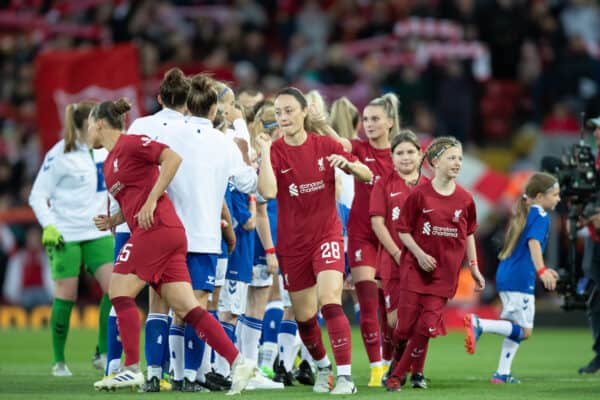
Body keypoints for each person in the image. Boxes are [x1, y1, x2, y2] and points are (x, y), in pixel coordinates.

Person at [87, 99, 255, 393]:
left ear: (100, 124)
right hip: (165, 233)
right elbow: (134, 201)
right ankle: (239, 361)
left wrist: (153, 200)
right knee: (188, 308)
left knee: (118, 290)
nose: (86, 131)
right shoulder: (111, 162)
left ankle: (130, 368)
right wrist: (114, 218)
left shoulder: (130, 144)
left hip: (157, 230)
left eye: (88, 125)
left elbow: (173, 159)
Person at [256, 87, 373, 395]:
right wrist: (266, 154)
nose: (283, 118)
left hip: (327, 235)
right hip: (292, 244)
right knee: (305, 318)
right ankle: (323, 368)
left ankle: (345, 377)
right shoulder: (276, 151)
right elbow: (267, 192)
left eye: (289, 111)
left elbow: (366, 174)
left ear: (305, 111)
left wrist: (348, 165)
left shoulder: (326, 145)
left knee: (331, 300)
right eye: (278, 113)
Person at [161, 73, 257, 392]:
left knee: (173, 307)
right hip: (204, 237)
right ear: (215, 109)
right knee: (197, 307)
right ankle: (191, 377)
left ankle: (167, 373)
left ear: (187, 105)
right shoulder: (223, 143)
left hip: (168, 234)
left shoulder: (170, 135)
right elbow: (248, 183)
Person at [98, 67, 190, 391]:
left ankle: (115, 365)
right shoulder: (196, 128)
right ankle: (154, 372)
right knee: (160, 302)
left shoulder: (140, 125)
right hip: (169, 218)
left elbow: (119, 173)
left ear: (160, 97)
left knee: (120, 292)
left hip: (134, 219)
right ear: (188, 103)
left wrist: (114, 219)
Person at [385, 136, 486, 391]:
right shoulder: (419, 194)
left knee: (426, 326)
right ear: (435, 161)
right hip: (415, 270)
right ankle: (398, 360)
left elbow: (469, 233)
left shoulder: (465, 198)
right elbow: (403, 230)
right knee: (404, 327)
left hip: (444, 276)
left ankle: (397, 375)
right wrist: (419, 254)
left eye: (460, 158)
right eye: (452, 157)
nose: (457, 163)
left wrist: (473, 267)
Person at [29, 101, 114, 377]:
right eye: (94, 123)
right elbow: (37, 195)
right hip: (66, 233)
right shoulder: (59, 155)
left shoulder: (105, 151)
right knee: (67, 294)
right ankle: (58, 360)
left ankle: (102, 352)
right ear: (81, 127)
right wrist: (49, 226)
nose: (99, 127)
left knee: (115, 288)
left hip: (97, 232)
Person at [464, 172, 560, 384]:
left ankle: (502, 373)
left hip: (507, 274)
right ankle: (480, 324)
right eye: (555, 194)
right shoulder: (541, 216)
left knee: (514, 327)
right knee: (525, 331)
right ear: (539, 196)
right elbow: (534, 243)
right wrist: (542, 270)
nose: (558, 199)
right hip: (519, 278)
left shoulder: (525, 213)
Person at [332, 93, 401, 386]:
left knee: (392, 311)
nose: (369, 124)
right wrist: (321, 122)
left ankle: (390, 362)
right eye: (366, 119)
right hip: (361, 234)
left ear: (389, 122)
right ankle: (376, 370)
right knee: (367, 303)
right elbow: (337, 143)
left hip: (392, 237)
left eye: (375, 119)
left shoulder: (402, 154)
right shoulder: (358, 148)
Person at [369, 130, 426, 385]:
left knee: (421, 320)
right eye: (400, 153)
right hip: (392, 262)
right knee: (396, 321)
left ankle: (415, 372)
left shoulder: (430, 186)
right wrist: (395, 253)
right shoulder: (384, 183)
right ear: (392, 157)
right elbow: (377, 223)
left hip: (422, 263)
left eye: (410, 152)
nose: (405, 157)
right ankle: (396, 362)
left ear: (420, 154)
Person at [575, 116, 600, 374]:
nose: (596, 134)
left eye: (599, 130)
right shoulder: (594, 161)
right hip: (595, 240)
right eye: (594, 129)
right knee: (595, 300)